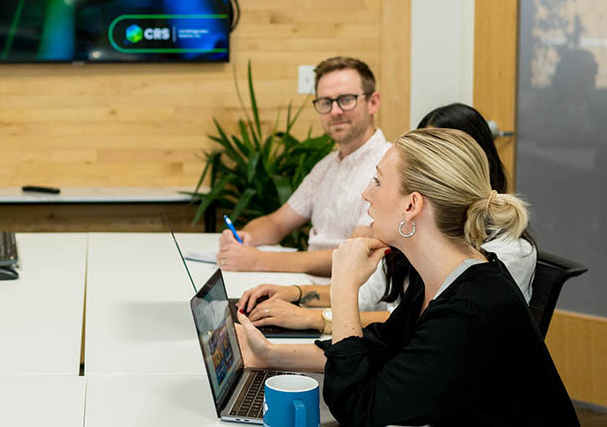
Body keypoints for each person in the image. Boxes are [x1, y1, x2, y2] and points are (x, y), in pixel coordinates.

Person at [235, 128, 577, 426]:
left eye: (379, 181)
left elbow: (360, 409)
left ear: (411, 206)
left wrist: (343, 288)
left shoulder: (471, 309)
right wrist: (270, 354)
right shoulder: (444, 278)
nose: (367, 193)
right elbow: (377, 349)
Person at [237, 103, 537, 333]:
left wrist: (312, 318)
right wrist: (296, 294)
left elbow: (409, 328)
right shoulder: (415, 237)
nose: (368, 194)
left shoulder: (492, 263)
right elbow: (371, 298)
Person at [217, 56, 390, 275]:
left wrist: (259, 261)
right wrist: (245, 236)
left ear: (373, 102)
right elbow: (277, 223)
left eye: (346, 99)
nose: (335, 111)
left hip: (347, 297)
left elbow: (357, 255)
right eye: (326, 103)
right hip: (307, 286)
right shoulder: (326, 166)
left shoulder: (388, 166)